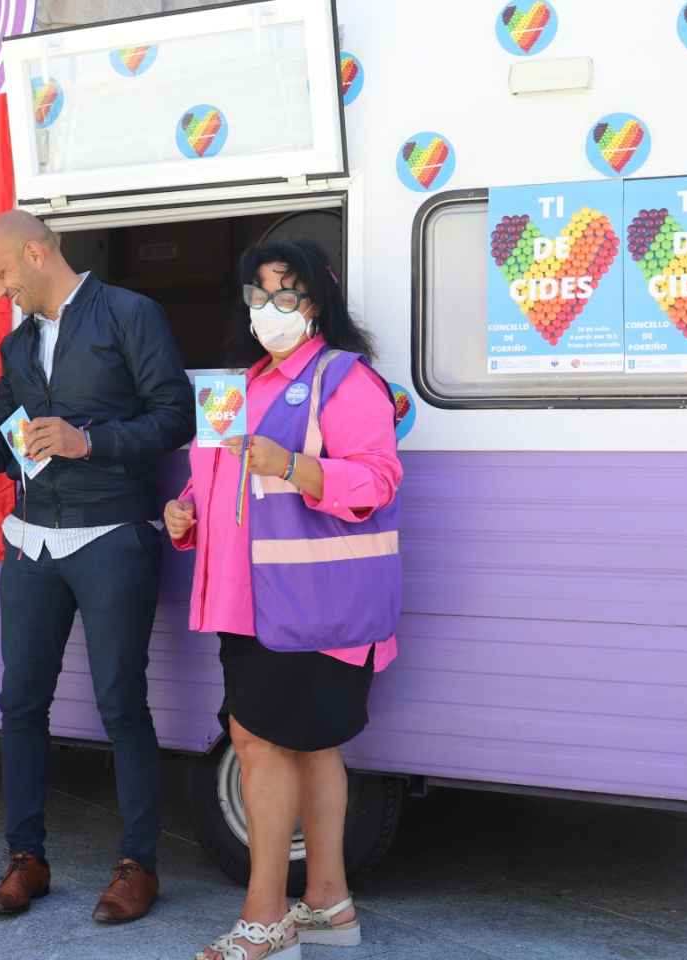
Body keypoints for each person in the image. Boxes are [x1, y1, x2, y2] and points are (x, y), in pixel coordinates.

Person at [0, 210, 193, 923]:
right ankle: (25, 858)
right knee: (19, 705)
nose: (0, 291)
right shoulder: (17, 345)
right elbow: (2, 449)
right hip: (30, 542)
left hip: (113, 536)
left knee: (122, 704)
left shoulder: (129, 313)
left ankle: (137, 866)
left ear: (34, 252)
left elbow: (175, 417)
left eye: (0, 275)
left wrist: (88, 442)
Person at [164, 240, 403, 960]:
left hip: (311, 603)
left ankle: (266, 918)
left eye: (287, 293)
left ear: (319, 300)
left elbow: (379, 480)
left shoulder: (347, 380)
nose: (271, 309)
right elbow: (220, 480)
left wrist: (296, 466)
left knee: (264, 743)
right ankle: (327, 904)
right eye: (259, 294)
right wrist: (186, 511)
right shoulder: (240, 385)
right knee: (302, 746)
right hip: (250, 601)